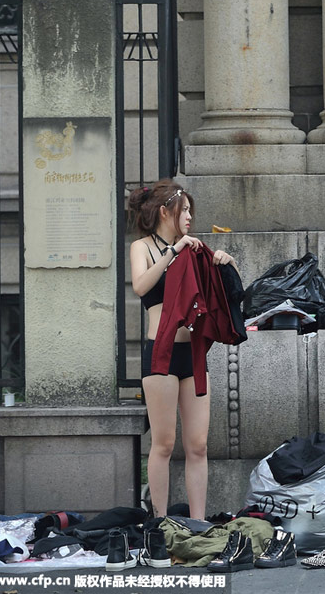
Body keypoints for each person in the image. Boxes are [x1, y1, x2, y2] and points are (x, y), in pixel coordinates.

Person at [128, 178, 236, 520]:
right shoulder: (142, 247)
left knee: (198, 445)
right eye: (184, 210)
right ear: (165, 211)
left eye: (191, 210)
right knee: (163, 444)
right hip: (160, 355)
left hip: (193, 355)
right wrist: (173, 252)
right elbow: (141, 285)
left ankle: (199, 523)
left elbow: (222, 296)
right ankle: (159, 523)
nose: (189, 217)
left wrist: (224, 262)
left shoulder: (194, 249)